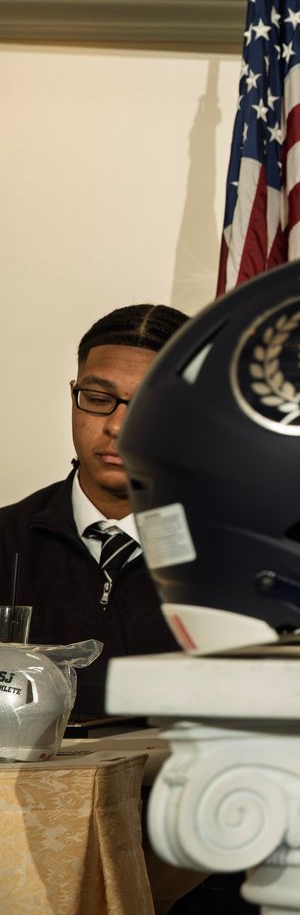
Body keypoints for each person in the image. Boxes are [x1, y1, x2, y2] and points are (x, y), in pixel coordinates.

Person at [0, 304, 187, 716]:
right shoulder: (6, 538)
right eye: (98, 398)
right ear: (74, 394)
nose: (118, 426)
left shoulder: (243, 559)